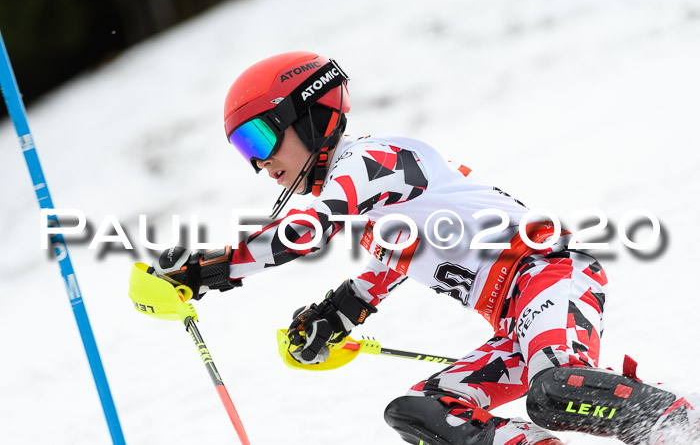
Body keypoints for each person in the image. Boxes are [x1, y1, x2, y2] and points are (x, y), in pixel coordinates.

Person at [145, 52, 699, 444]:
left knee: (552, 392)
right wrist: (332, 316)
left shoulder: (372, 161)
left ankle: (682, 426)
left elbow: (304, 232)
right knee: (421, 412)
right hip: (513, 321)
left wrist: (205, 270)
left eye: (260, 138)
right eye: (245, 150)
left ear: (311, 115)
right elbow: (386, 267)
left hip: (552, 275)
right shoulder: (370, 204)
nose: (259, 163)